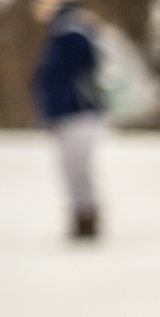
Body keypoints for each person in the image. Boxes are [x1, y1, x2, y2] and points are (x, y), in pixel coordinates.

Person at [31, 0, 104, 241]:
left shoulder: (70, 35)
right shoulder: (67, 33)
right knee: (73, 170)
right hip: (75, 115)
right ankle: (83, 219)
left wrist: (56, 113)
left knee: (76, 169)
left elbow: (61, 80)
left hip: (78, 115)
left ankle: (86, 221)